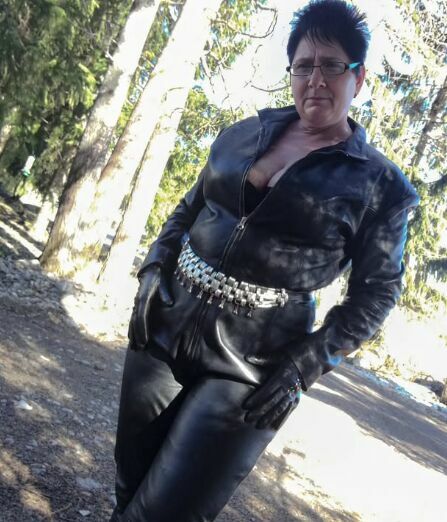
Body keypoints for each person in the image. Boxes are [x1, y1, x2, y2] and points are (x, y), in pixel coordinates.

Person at [110, 1, 419, 520]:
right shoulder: (244, 133)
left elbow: (378, 292)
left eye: (331, 65)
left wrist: (305, 365)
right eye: (303, 65)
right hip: (164, 323)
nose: (315, 79)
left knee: (165, 513)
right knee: (128, 483)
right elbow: (188, 208)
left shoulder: (382, 187)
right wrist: (152, 270)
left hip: (255, 365)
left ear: (358, 77)